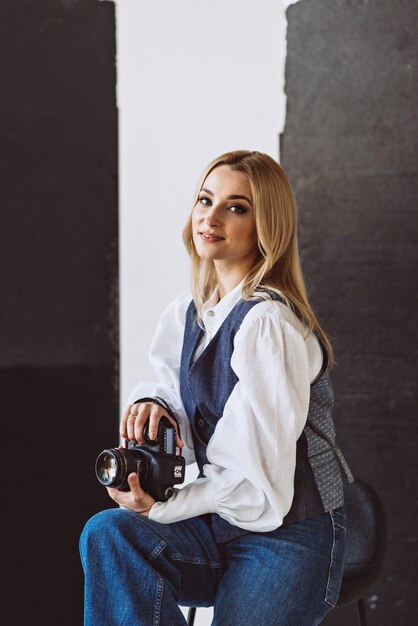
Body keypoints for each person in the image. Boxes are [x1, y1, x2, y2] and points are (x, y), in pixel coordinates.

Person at [80, 150, 351, 626]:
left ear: (265, 227)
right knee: (110, 534)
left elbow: (254, 476)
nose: (211, 215)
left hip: (288, 533)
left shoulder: (269, 324)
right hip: (221, 521)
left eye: (236, 207)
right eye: (206, 199)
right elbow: (178, 389)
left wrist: (165, 508)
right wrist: (154, 405)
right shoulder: (188, 313)